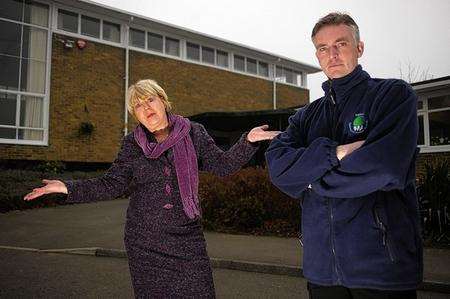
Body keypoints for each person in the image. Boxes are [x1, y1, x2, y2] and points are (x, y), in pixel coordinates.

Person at [24, 79, 280, 298]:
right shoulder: (131, 145)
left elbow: (222, 165)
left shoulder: (193, 132)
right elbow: (111, 184)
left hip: (187, 239)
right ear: (134, 115)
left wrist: (247, 142)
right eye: (138, 105)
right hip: (144, 244)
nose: (145, 108)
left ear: (163, 102)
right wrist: (66, 187)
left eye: (149, 100)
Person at [265, 12, 422, 299]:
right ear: (317, 54)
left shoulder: (393, 96)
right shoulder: (306, 116)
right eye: (323, 48)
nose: (332, 54)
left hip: (382, 271)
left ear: (359, 48)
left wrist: (311, 181)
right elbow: (278, 169)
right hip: (322, 273)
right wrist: (334, 153)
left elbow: (384, 168)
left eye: (341, 44)